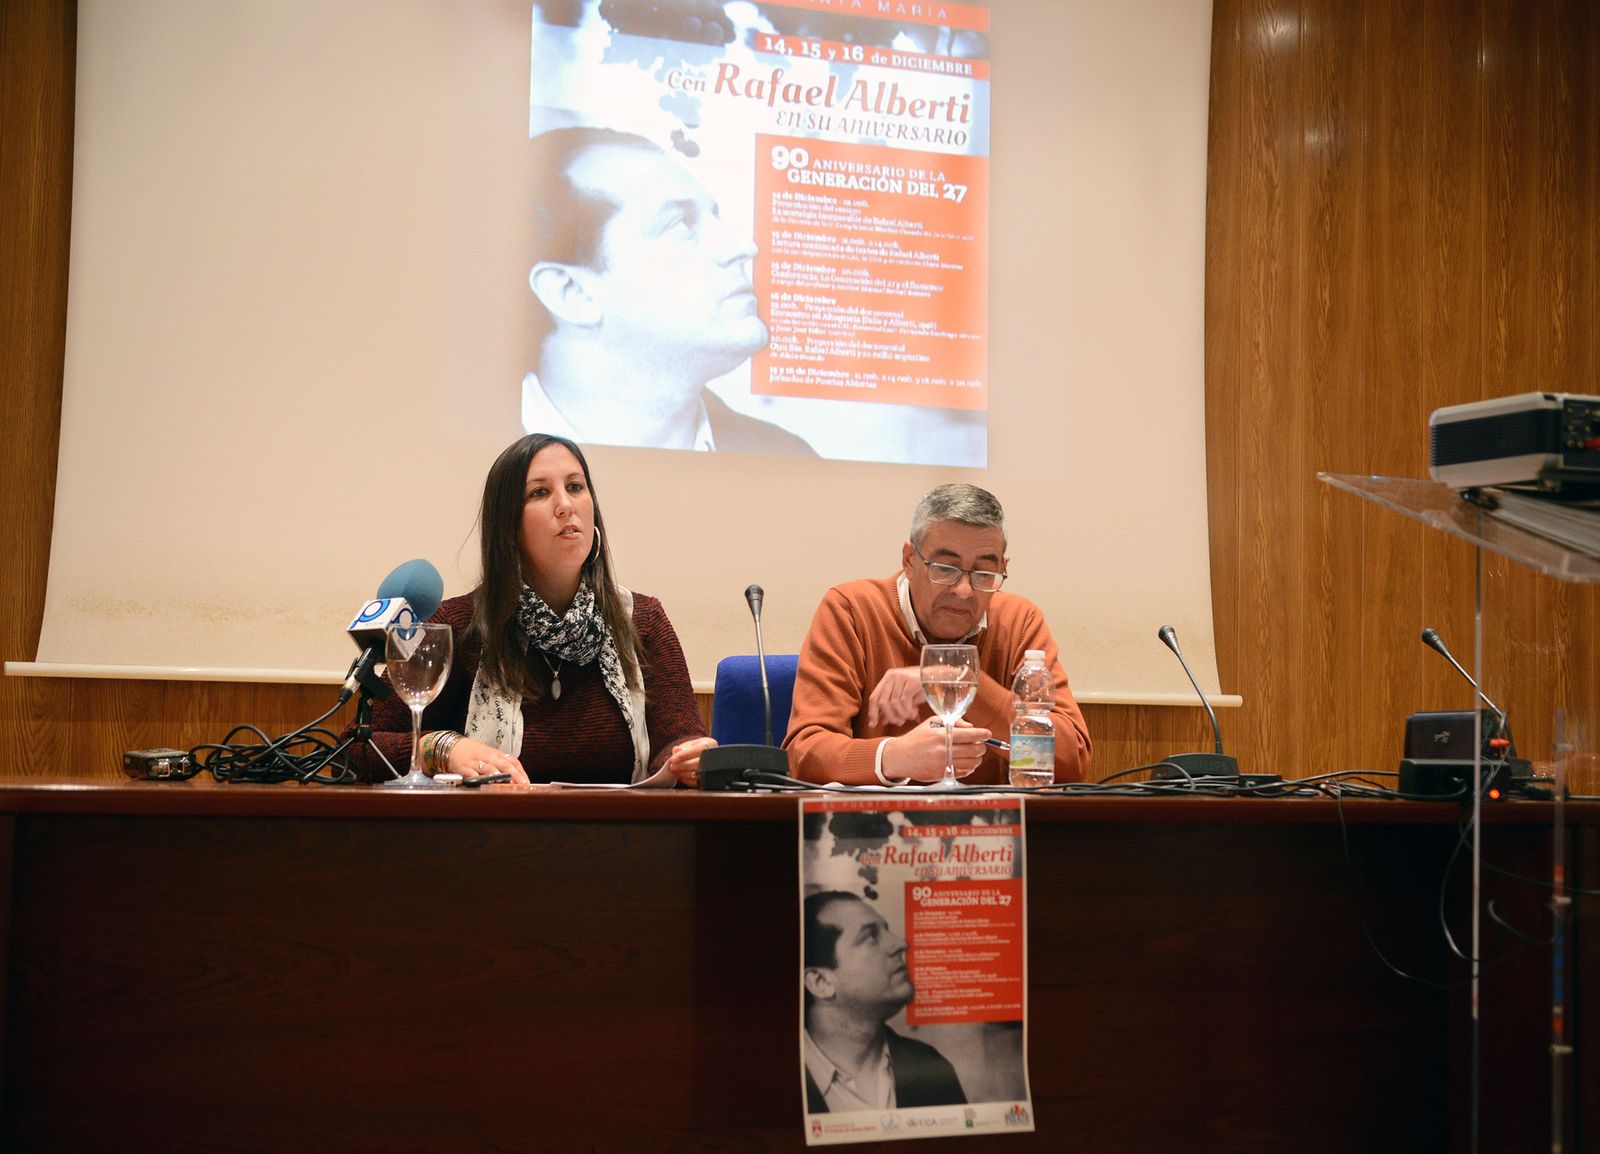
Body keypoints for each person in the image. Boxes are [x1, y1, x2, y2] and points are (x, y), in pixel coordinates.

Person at [347, 433, 716, 785]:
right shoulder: (458, 626)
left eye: (575, 487)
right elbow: (355, 749)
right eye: (540, 492)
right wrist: (441, 748)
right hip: (494, 841)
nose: (566, 505)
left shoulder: (643, 619)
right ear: (508, 527)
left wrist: (690, 758)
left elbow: (678, 741)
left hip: (623, 841)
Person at [523, 126, 815, 456]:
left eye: (714, 217)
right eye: (679, 225)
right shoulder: (469, 454)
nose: (744, 247)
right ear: (571, 293)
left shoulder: (790, 460)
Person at [784, 483, 1091, 786]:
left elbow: (1069, 761)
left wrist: (956, 680)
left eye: (983, 574)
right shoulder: (852, 609)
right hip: (874, 828)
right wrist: (894, 757)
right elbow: (804, 753)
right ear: (909, 560)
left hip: (987, 828)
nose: (963, 591)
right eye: (945, 568)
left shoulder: (1019, 621)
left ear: (1003, 567)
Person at [803, 891, 966, 1112]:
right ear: (821, 982)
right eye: (870, 937)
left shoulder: (932, 1068)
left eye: (886, 930)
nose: (900, 944)